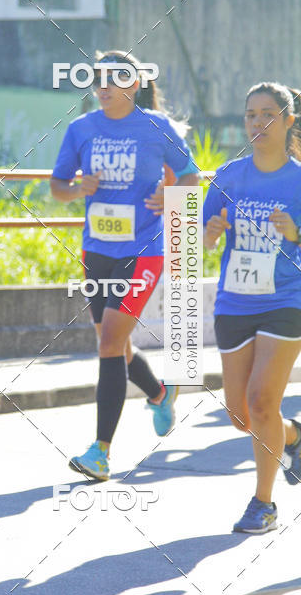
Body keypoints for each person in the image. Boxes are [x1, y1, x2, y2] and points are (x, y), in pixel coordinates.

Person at [51, 50, 199, 481]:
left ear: (135, 85)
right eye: (99, 77)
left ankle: (100, 452)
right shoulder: (82, 129)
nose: (104, 85)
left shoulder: (158, 128)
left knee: (109, 344)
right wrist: (79, 187)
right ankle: (159, 392)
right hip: (96, 250)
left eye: (116, 78)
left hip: (144, 250)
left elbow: (190, 176)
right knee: (113, 341)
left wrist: (169, 200)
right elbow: (58, 187)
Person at [203, 82, 301, 534]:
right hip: (235, 302)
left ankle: (263, 504)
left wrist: (296, 235)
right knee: (242, 415)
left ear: (288, 120)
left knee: (264, 401)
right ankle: (295, 435)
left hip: (287, 301)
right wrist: (213, 232)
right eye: (250, 115)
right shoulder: (228, 176)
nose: (258, 123)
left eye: (268, 114)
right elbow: (197, 241)